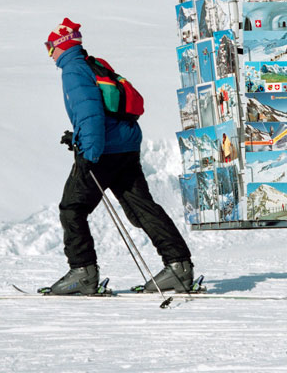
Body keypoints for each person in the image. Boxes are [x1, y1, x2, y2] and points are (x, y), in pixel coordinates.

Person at [44, 18, 195, 294]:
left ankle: (83, 272)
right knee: (142, 208)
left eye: (48, 46)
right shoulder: (94, 63)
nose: (49, 53)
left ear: (60, 45)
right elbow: (103, 111)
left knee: (72, 208)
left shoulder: (73, 69)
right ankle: (179, 266)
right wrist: (77, 137)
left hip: (104, 152)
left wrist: (89, 152)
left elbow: (90, 112)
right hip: (125, 146)